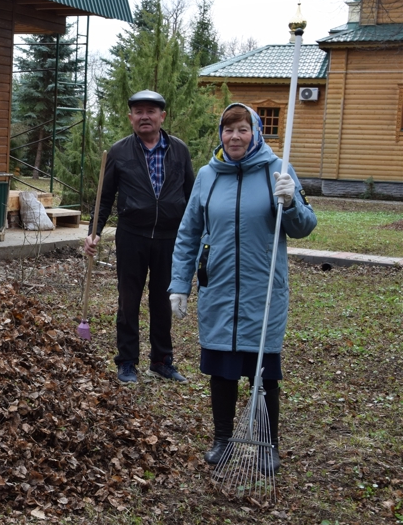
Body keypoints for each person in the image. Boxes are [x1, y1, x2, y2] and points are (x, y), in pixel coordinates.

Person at [168, 103, 317, 473]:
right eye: (228, 129)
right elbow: (188, 233)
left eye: (243, 129)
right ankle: (222, 439)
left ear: (256, 134)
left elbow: (304, 226)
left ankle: (268, 445)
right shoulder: (208, 175)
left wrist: (291, 202)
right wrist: (179, 284)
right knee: (222, 368)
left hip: (261, 290)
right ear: (220, 134)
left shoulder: (277, 170)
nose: (235, 136)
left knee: (263, 370)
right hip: (218, 288)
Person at [84, 90, 195, 385]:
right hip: (132, 235)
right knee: (128, 300)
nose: (144, 116)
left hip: (169, 238)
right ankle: (127, 362)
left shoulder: (179, 150)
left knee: (163, 301)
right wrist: (93, 232)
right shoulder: (118, 152)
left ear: (162, 116)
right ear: (131, 117)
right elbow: (104, 198)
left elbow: (192, 196)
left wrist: (195, 236)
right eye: (138, 111)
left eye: (151, 111)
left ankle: (161, 361)